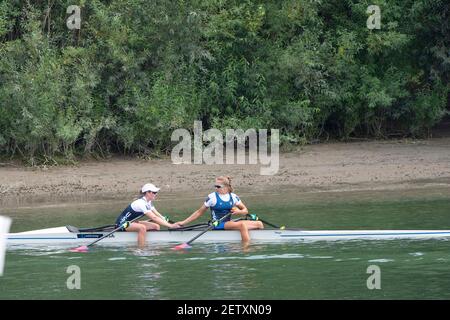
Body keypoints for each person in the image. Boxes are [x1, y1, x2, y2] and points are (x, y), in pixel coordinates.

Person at [176, 176, 264, 243]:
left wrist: (239, 211)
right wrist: (183, 222)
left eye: (218, 186)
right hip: (217, 224)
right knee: (242, 225)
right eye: (215, 186)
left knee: (259, 223)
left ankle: (257, 240)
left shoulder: (233, 197)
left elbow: (245, 210)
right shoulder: (212, 197)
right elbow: (199, 212)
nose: (216, 188)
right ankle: (246, 247)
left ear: (226, 187)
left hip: (229, 223)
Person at [115, 183, 180, 246]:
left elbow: (157, 215)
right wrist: (171, 226)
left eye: (156, 192)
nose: (156, 194)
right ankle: (141, 249)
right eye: (154, 192)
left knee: (156, 226)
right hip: (122, 224)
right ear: (147, 193)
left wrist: (168, 222)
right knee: (142, 228)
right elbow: (154, 217)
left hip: (132, 222)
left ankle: (151, 244)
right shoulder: (141, 203)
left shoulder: (148, 202)